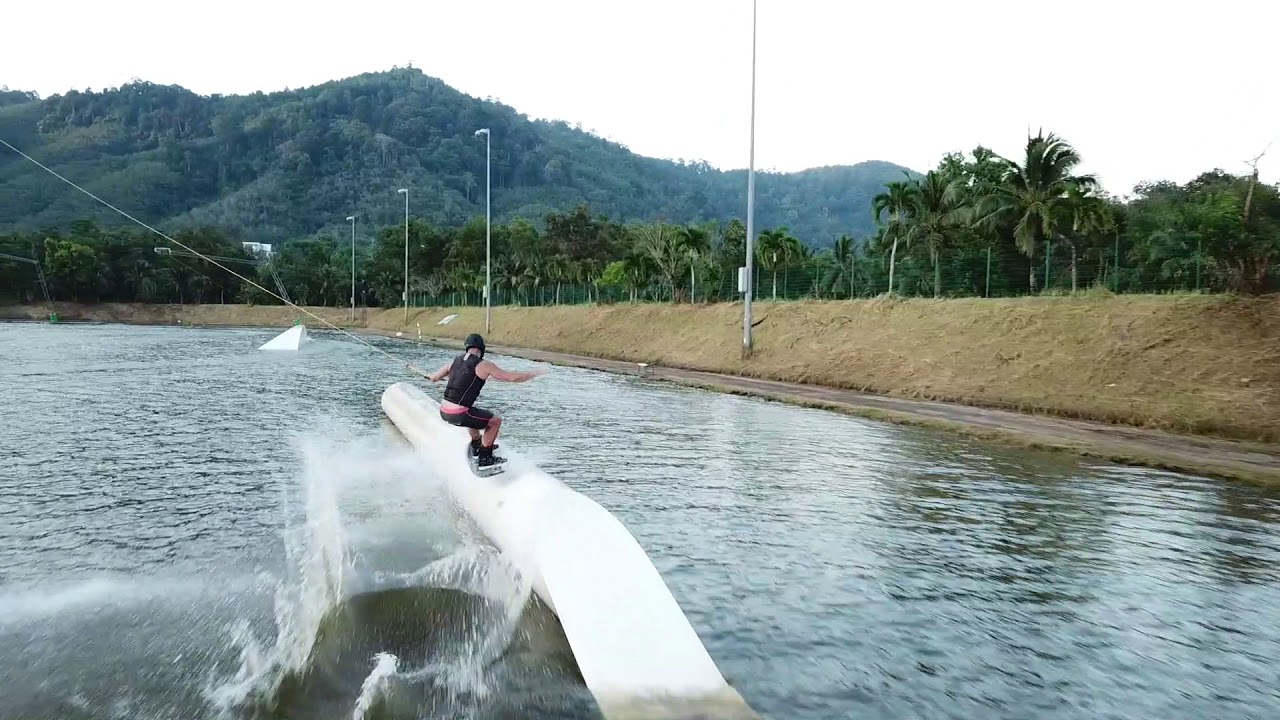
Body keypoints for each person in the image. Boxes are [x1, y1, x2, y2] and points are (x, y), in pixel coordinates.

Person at [425, 333, 545, 467]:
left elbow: (435, 378)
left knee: (472, 412)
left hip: (444, 411)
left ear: (467, 348)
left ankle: (476, 443)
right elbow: (511, 378)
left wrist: (431, 376)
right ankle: (485, 457)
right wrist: (533, 373)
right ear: (482, 349)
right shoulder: (483, 365)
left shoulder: (454, 362)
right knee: (495, 421)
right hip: (459, 414)